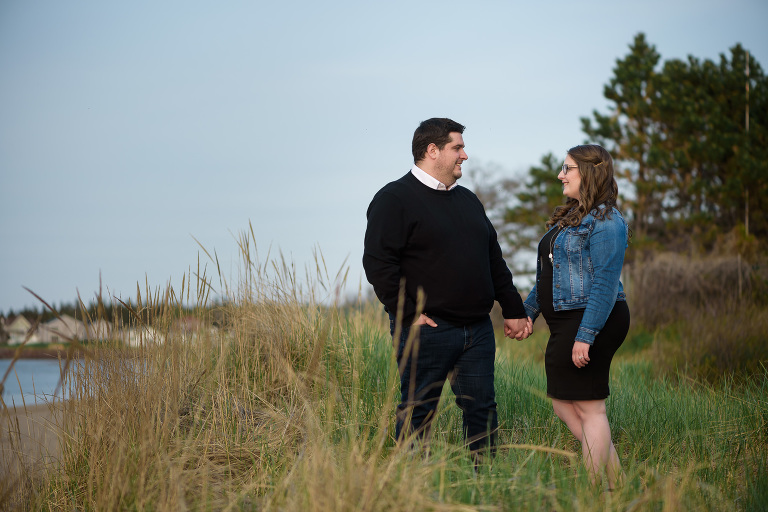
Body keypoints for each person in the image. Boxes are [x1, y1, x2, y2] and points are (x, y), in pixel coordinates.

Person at [363, 118, 530, 458]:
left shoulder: (467, 200)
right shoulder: (394, 198)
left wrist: (513, 309)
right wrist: (409, 313)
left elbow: (493, 259)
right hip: (427, 329)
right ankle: (408, 489)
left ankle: (484, 487)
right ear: (432, 150)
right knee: (418, 411)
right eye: (458, 147)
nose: (465, 155)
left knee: (482, 409)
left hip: (478, 330)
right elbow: (379, 264)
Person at [523, 144, 630, 487]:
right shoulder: (573, 217)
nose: (560, 175)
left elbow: (605, 283)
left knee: (589, 408)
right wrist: (527, 312)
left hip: (592, 318)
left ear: (589, 173)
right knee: (565, 405)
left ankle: (598, 493)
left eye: (567, 168)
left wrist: (586, 335)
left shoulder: (607, 221)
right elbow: (548, 277)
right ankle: (617, 486)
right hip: (567, 320)